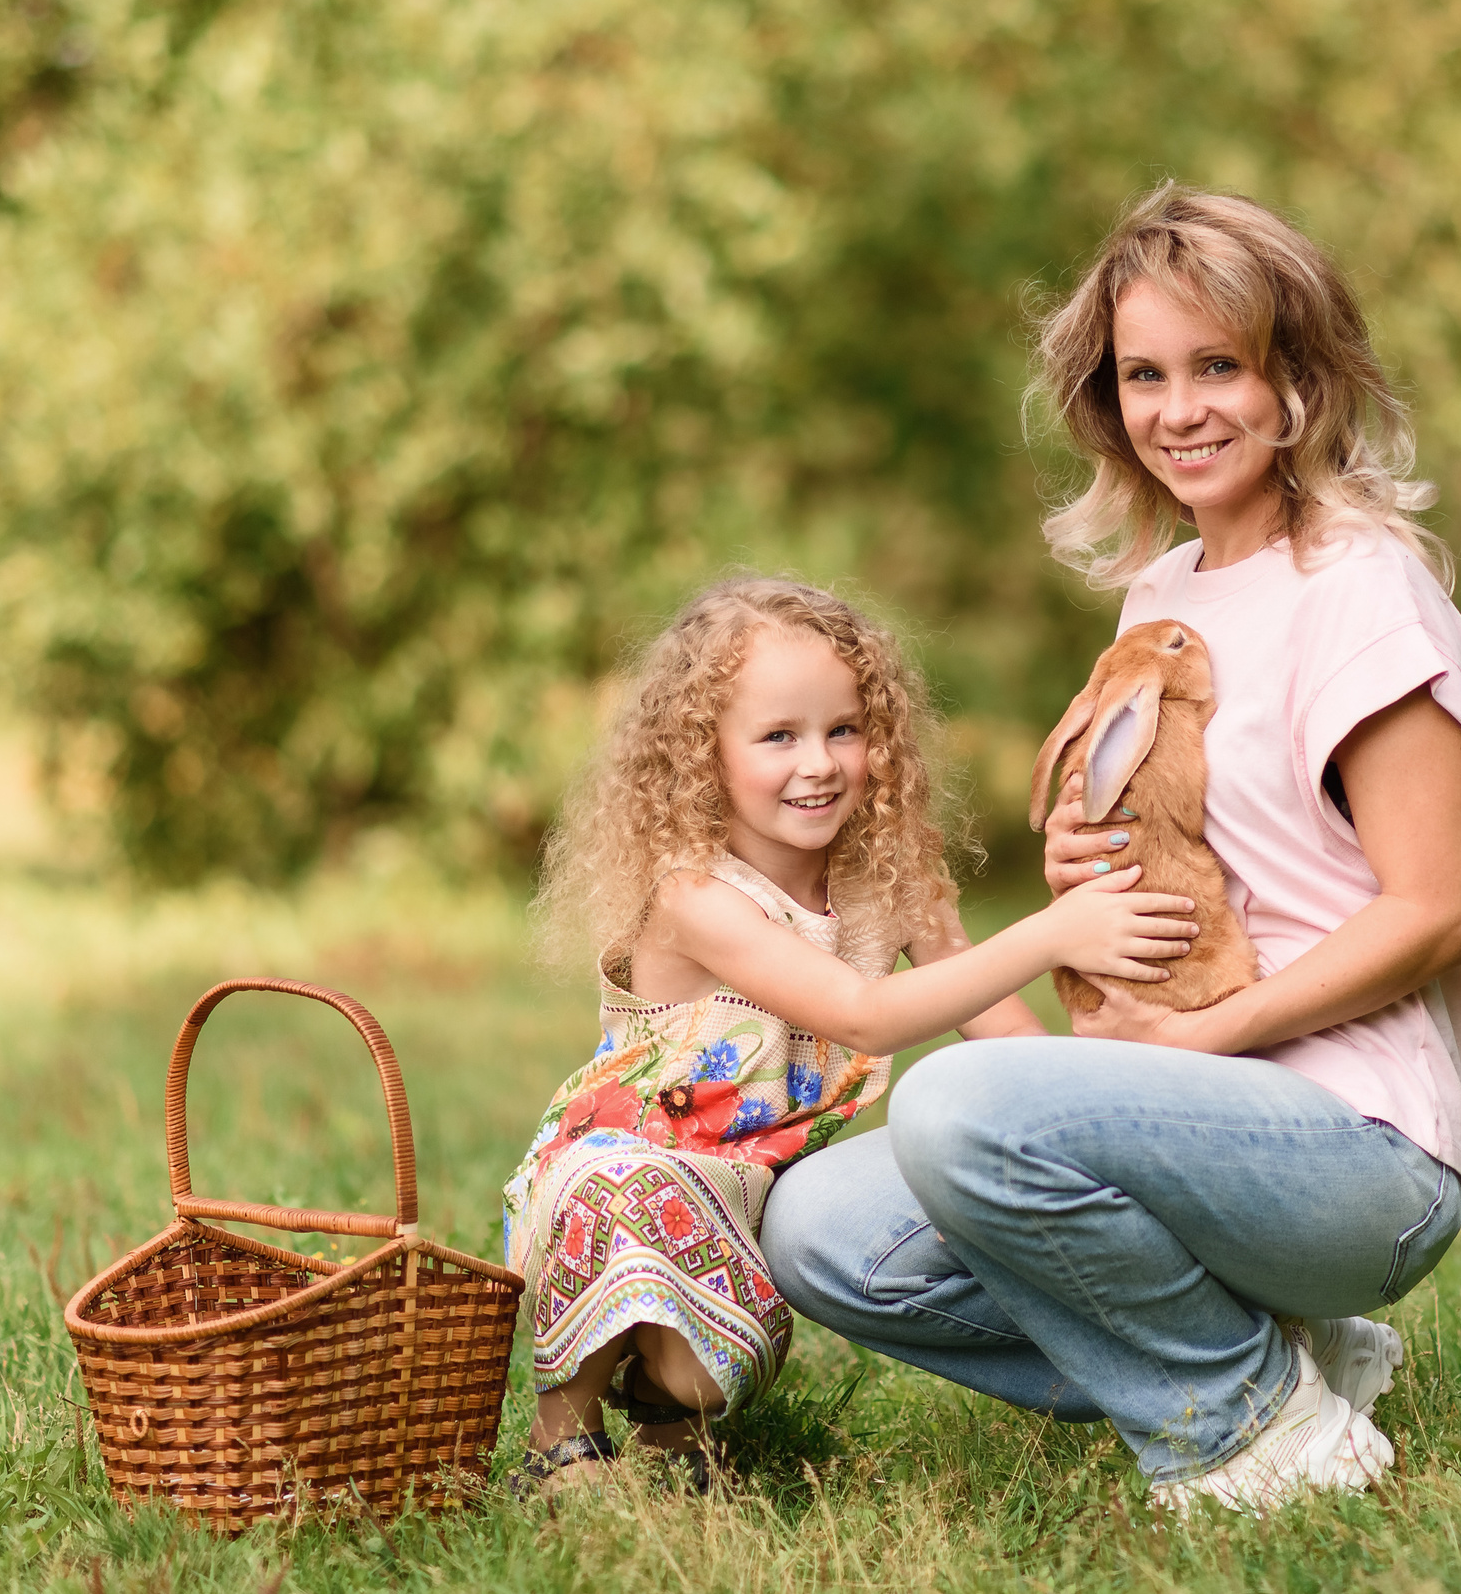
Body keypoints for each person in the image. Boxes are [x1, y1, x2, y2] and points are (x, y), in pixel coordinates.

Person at [762, 184, 1461, 1517]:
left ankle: (1249, 1429)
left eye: (1220, 365)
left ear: (1299, 379)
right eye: (1144, 375)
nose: (1179, 408)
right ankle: (1273, 1360)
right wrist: (1088, 878)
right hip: (1189, 1108)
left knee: (955, 1105)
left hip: (1357, 1147)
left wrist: (1213, 1033)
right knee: (823, 1231)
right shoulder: (1160, 594)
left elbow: (1443, 909)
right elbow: (1204, 837)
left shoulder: (1361, 587)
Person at [505, 576, 1197, 1491]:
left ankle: (672, 1425)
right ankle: (560, 1437)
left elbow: (998, 1028)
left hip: (748, 1189)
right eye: (778, 736)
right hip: (620, 1178)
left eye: (844, 729)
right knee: (632, 1190)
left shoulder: (887, 875)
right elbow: (859, 1012)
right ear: (704, 755)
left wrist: (1095, 1113)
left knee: (701, 1373)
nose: (820, 763)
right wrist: (1051, 934)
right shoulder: (694, 895)